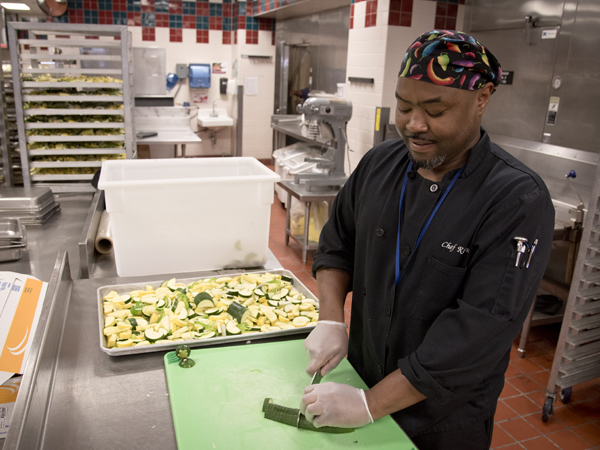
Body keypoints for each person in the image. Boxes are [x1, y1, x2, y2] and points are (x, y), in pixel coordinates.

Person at [299, 30, 555, 449]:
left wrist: (370, 404)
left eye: (435, 110)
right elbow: (337, 243)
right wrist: (331, 317)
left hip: (440, 422)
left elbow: (475, 337)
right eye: (404, 106)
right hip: (361, 380)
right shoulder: (380, 163)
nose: (414, 125)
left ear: (483, 98)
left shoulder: (516, 200)